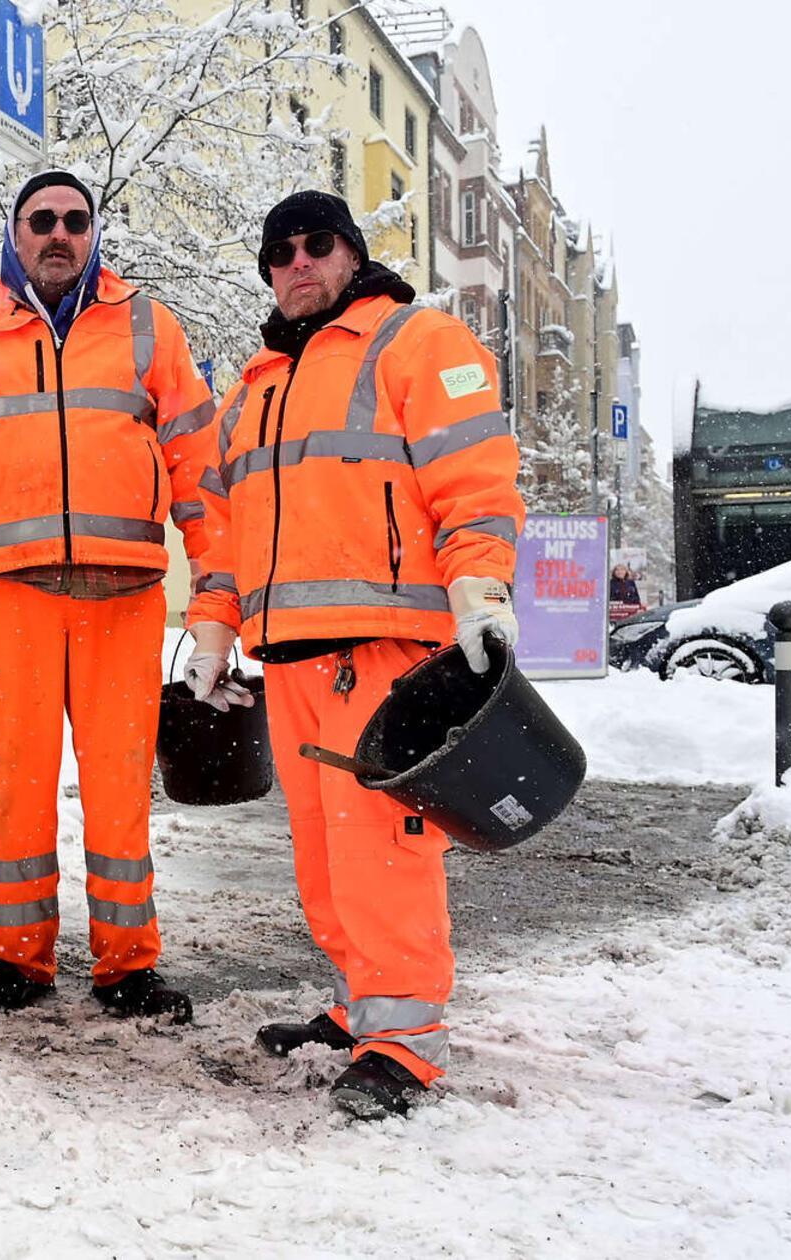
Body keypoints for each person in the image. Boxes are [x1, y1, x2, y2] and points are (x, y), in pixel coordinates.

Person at [182, 191, 525, 1118]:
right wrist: (213, 621)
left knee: (381, 853)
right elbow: (221, 527)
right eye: (280, 250)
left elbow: (474, 478)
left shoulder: (416, 343)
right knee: (323, 857)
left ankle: (406, 1042)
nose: (299, 262)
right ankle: (358, 1005)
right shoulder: (254, 389)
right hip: (289, 656)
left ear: (351, 254)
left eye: (317, 244)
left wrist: (481, 582)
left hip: (386, 652)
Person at [0, 170, 240, 1019]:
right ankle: (20, 960)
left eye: (75, 221)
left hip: (124, 599)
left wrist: (219, 596)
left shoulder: (148, 326)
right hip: (15, 599)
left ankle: (127, 964)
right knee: (21, 786)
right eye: (41, 220)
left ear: (95, 234)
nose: (59, 234)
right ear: (14, 232)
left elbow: (201, 469)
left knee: (119, 788)